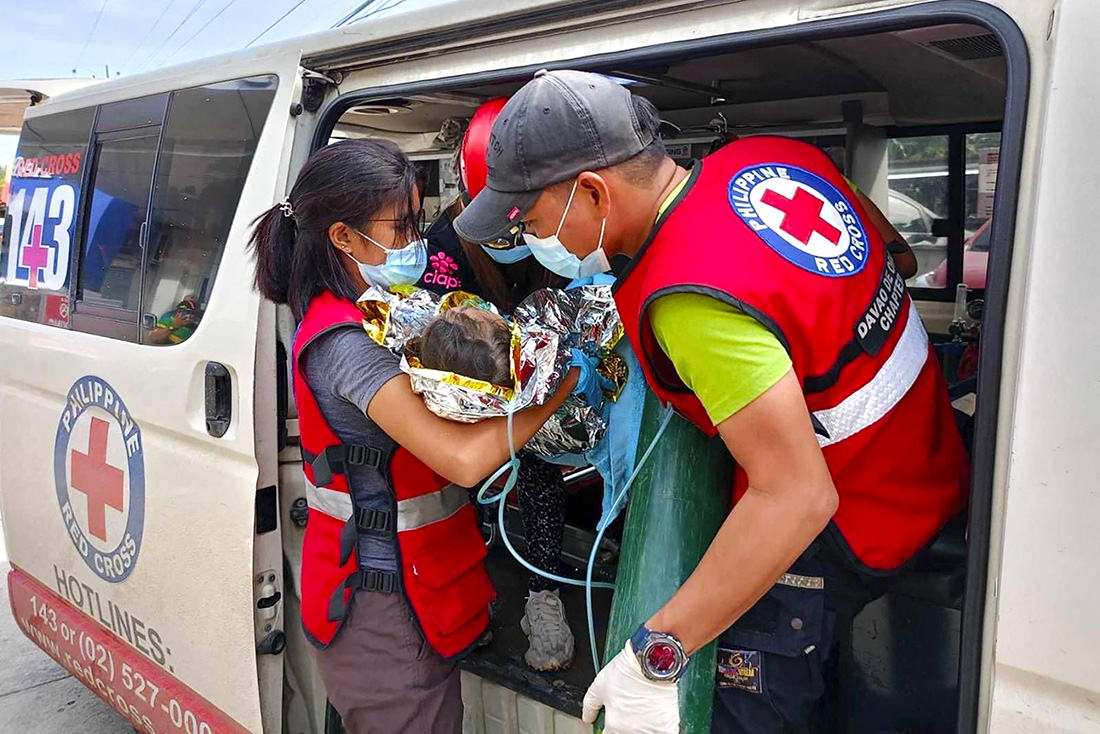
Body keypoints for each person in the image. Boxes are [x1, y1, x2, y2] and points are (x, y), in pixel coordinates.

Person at [454, 70, 970, 734]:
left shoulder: (688, 296)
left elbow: (796, 498)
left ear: (590, 192)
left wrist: (654, 655)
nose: (527, 235)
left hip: (856, 521)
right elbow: (894, 260)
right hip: (932, 458)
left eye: (529, 216)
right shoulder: (771, 158)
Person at [248, 138, 603, 733]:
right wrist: (564, 381)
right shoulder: (343, 345)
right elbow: (463, 461)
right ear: (343, 237)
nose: (417, 240)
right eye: (403, 225)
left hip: (418, 592)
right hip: (380, 608)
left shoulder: (378, 310)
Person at [415, 97, 578, 673]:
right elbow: (442, 334)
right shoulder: (445, 245)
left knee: (539, 476)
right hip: (473, 383)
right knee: (467, 488)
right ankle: (471, 600)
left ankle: (543, 596)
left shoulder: (562, 226)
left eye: (525, 213)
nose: (519, 227)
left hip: (546, 382)